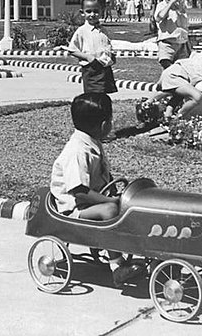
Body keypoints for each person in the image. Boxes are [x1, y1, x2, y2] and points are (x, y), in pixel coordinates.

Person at [50, 93, 143, 287]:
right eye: (110, 120)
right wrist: (110, 201)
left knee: (132, 203)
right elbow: (79, 191)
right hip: (74, 208)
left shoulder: (92, 142)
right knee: (110, 210)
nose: (111, 124)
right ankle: (117, 267)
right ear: (102, 125)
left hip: (90, 201)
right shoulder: (76, 151)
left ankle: (134, 247)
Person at [57, 0, 117, 94]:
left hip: (105, 68)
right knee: (93, 95)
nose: (92, 14)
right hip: (91, 68)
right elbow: (73, 50)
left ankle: (103, 110)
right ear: (82, 13)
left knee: (104, 95)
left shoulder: (103, 30)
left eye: (96, 11)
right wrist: (88, 57)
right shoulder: (82, 31)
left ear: (102, 11)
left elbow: (107, 46)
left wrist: (112, 56)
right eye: (88, 11)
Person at [153, 0, 191, 69]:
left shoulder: (181, 6)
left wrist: (178, 7)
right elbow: (159, 17)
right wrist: (170, 4)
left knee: (182, 69)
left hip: (181, 43)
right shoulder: (161, 5)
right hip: (167, 43)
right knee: (167, 66)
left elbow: (184, 22)